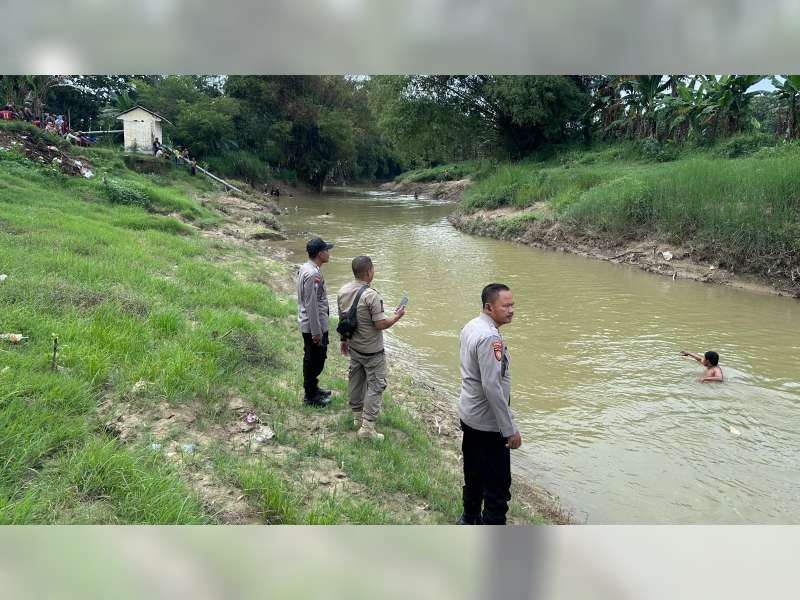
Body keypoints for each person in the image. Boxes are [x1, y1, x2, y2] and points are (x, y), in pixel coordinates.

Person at [457, 283, 520, 525]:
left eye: (512, 305)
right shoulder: (490, 338)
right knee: (497, 485)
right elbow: (492, 387)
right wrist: (509, 429)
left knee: (473, 474)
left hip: (470, 414)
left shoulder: (471, 326)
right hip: (488, 423)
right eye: (505, 306)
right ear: (489, 307)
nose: (511, 310)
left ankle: (469, 519)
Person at [337, 256, 405, 441]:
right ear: (369, 272)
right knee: (376, 385)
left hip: (354, 347)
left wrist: (344, 340)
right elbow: (380, 324)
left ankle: (357, 417)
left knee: (356, 379)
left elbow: (343, 319)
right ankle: (367, 428)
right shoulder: (372, 295)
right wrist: (397, 316)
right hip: (372, 351)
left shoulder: (343, 291)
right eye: (373, 269)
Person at [297, 238, 335, 407]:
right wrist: (316, 332)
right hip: (314, 325)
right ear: (320, 254)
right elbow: (311, 304)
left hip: (312, 323)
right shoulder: (313, 274)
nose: (329, 253)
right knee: (314, 360)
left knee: (315, 358)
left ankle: (313, 388)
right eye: (327, 250)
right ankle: (310, 396)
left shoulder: (307, 268)